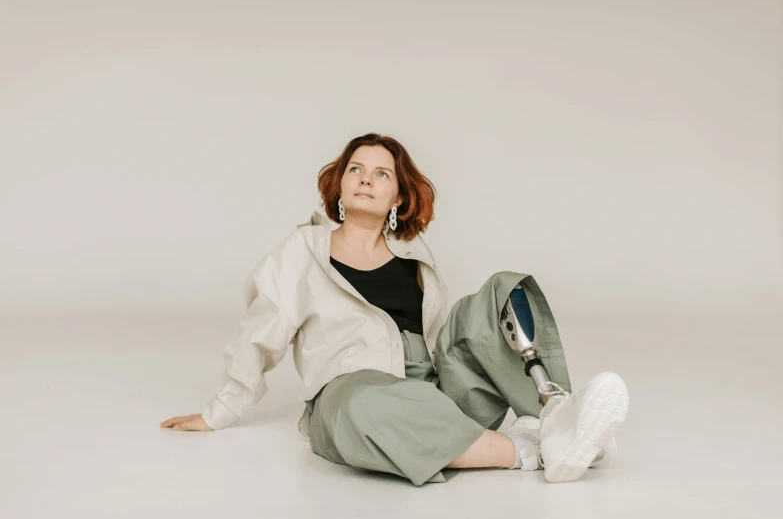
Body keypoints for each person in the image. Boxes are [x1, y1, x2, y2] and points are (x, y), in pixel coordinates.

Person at [160, 133, 630, 486]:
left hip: (431, 392)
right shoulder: (304, 249)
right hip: (351, 394)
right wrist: (218, 412)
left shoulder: (417, 264)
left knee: (505, 287)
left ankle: (557, 415)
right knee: (367, 402)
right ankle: (535, 452)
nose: (366, 178)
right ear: (339, 187)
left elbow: (447, 341)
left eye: (381, 173)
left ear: (398, 197)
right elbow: (260, 333)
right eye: (355, 169)